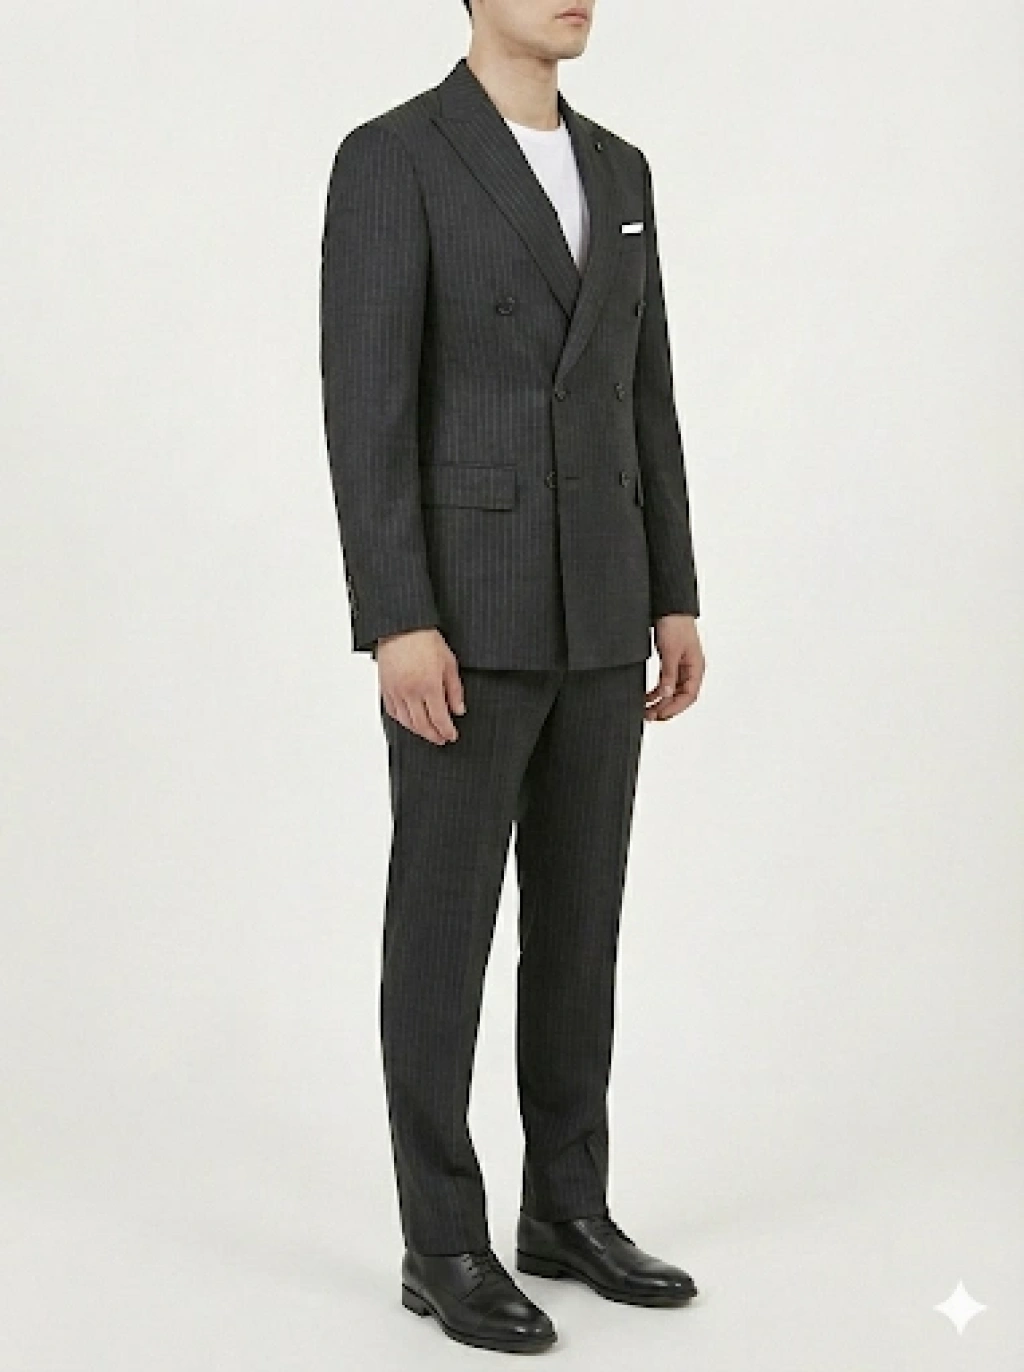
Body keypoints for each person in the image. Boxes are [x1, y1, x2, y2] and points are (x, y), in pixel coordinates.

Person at [319, 0, 705, 1353]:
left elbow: (644, 394)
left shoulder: (621, 167)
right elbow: (364, 404)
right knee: (443, 934)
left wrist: (672, 591)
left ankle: (566, 1210)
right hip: (466, 618)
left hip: (603, 603)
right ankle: (441, 1240)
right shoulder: (394, 156)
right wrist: (397, 617)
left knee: (581, 927)